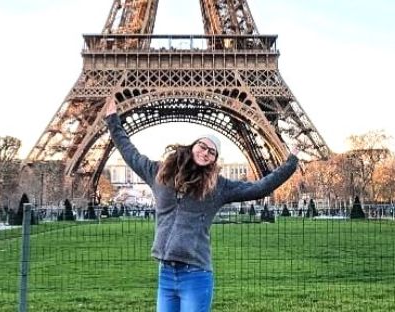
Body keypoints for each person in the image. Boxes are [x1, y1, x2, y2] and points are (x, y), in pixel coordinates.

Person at [104, 97, 299, 312]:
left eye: (211, 152)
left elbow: (259, 188)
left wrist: (290, 164)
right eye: (202, 146)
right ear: (193, 146)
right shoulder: (160, 172)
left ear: (214, 160)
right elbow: (129, 153)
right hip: (166, 273)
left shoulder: (218, 187)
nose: (205, 152)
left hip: (195, 275)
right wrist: (113, 120)